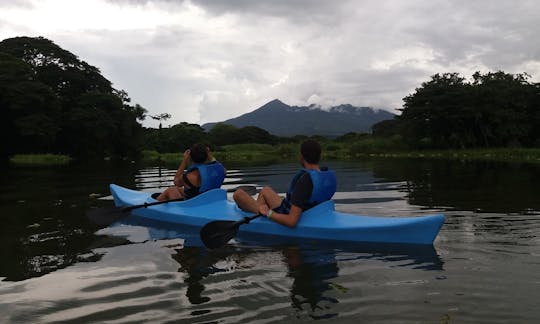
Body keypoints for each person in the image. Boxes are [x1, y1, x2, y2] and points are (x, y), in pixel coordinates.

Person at [233, 140, 336, 227]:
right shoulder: (325, 176)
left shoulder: (306, 180)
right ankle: (260, 217)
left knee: (238, 194)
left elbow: (292, 221)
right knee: (265, 190)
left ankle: (261, 215)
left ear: (301, 156)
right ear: (320, 156)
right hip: (308, 213)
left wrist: (268, 213)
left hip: (288, 215)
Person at [155, 143, 226, 201]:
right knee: (178, 189)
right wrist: (209, 154)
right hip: (210, 200)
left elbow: (176, 182)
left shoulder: (188, 176)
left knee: (171, 189)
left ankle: (153, 206)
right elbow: (217, 165)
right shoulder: (222, 170)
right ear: (207, 156)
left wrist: (184, 160)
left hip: (193, 205)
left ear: (191, 157)